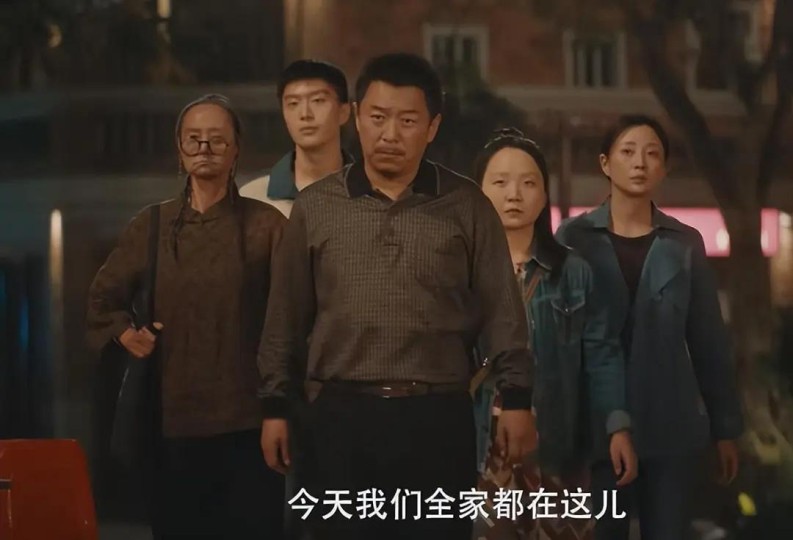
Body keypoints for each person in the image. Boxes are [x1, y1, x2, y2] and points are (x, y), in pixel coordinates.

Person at [257, 53, 537, 540]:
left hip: (437, 417)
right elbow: (285, 317)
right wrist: (275, 405)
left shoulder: (466, 205)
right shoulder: (316, 206)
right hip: (339, 418)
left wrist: (517, 398)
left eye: (407, 121)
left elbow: (503, 310)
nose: (390, 134)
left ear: (432, 127)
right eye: (378, 117)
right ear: (356, 116)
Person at [86, 94, 286, 538]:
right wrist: (125, 333)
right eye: (194, 139)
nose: (204, 149)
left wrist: (281, 408)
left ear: (236, 149)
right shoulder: (152, 226)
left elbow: (290, 319)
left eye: (217, 139)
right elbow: (103, 298)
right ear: (179, 148)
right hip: (170, 424)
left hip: (249, 423)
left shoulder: (267, 225)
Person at [557, 114, 743, 540]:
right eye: (628, 152)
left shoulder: (684, 243)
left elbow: (709, 341)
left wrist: (725, 429)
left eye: (652, 153)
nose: (639, 162)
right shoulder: (573, 239)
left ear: (664, 168)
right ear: (605, 163)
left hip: (670, 423)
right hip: (595, 427)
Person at [473, 128, 638, 540]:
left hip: (558, 447)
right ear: (477, 193)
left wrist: (617, 425)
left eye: (528, 183)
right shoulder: (459, 270)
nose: (514, 194)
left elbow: (601, 355)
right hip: (481, 446)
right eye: (500, 182)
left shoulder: (572, 272)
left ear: (544, 195)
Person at [240, 59, 353, 216]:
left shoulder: (370, 192)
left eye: (318, 101)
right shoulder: (252, 197)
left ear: (344, 112)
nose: (305, 114)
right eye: (293, 103)